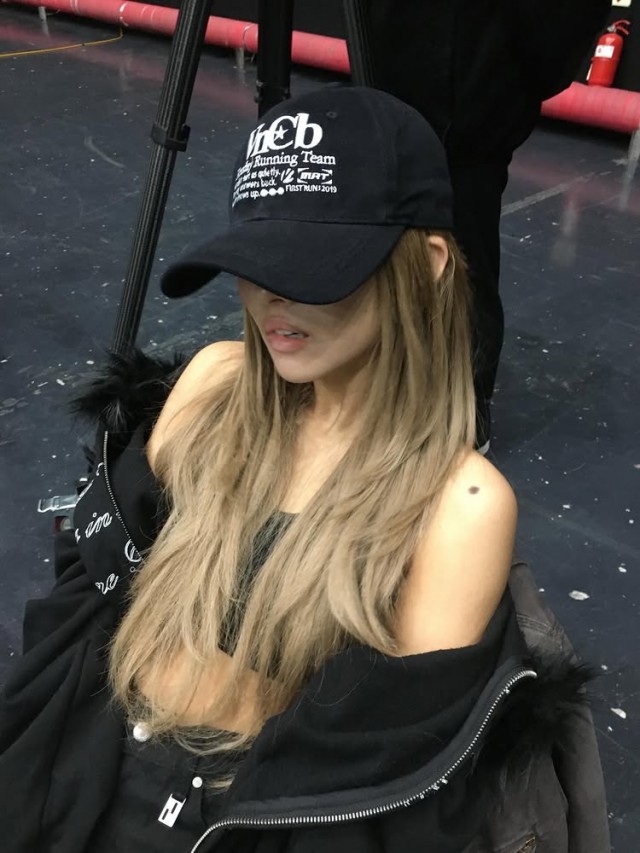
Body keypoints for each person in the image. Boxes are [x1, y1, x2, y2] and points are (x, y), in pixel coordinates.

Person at [0, 87, 609, 852]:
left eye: (315, 265)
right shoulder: (212, 387)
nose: (271, 297)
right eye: (255, 261)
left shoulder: (459, 507)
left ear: (425, 265)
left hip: (243, 823)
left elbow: (372, 788)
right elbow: (91, 598)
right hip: (89, 769)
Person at [367, 0, 611, 450]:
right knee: (397, 239)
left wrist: (525, 77)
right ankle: (404, 381)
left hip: (472, 96)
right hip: (408, 80)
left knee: (462, 248)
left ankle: (459, 402)